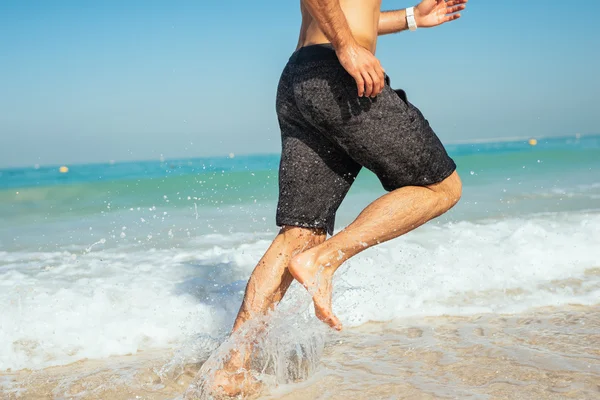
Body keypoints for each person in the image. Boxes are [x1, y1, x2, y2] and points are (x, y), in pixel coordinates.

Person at [207, 0, 466, 396]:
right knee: (442, 188)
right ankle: (324, 260)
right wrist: (346, 46)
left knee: (301, 233)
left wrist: (413, 18)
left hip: (301, 79)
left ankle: (232, 367)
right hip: (336, 73)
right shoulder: (341, 51)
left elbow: (351, 12)